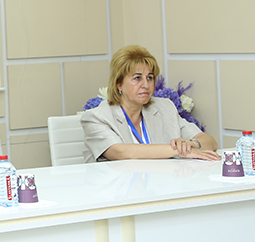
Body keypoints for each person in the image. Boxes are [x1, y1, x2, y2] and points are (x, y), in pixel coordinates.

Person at [81, 45, 218, 162]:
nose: (146, 85)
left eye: (150, 78)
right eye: (137, 78)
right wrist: (178, 151)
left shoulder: (165, 107)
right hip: (118, 190)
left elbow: (209, 141)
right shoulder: (97, 117)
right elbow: (121, 152)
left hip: (160, 186)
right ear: (119, 84)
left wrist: (192, 144)